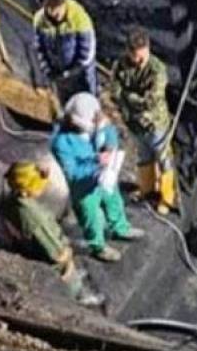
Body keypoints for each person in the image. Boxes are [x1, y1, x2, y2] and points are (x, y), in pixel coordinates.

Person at [0, 160, 104, 307]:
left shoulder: (8, 199)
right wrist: (66, 252)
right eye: (39, 184)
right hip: (43, 249)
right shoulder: (34, 218)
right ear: (26, 190)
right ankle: (79, 294)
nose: (43, 186)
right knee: (66, 266)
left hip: (23, 242)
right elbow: (55, 254)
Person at [51, 92, 143, 262]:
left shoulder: (95, 120)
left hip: (104, 175)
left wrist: (110, 145)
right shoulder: (62, 143)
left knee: (113, 200)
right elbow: (72, 172)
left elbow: (109, 131)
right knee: (91, 217)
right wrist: (96, 162)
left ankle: (120, 228)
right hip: (83, 186)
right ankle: (98, 247)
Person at [110, 27, 176, 215]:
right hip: (134, 123)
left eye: (142, 56)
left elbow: (151, 99)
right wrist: (128, 98)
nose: (139, 61)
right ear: (128, 52)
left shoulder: (157, 69)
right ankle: (147, 190)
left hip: (155, 123)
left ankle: (167, 197)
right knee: (144, 156)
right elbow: (114, 90)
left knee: (164, 159)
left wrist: (127, 96)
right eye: (135, 57)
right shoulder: (121, 65)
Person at [34, 0, 97, 103]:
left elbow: (87, 52)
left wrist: (72, 72)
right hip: (59, 72)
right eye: (50, 8)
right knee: (65, 103)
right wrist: (48, 70)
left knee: (86, 101)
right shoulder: (39, 20)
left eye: (57, 7)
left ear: (64, 4)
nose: (54, 12)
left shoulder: (79, 18)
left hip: (80, 72)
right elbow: (40, 48)